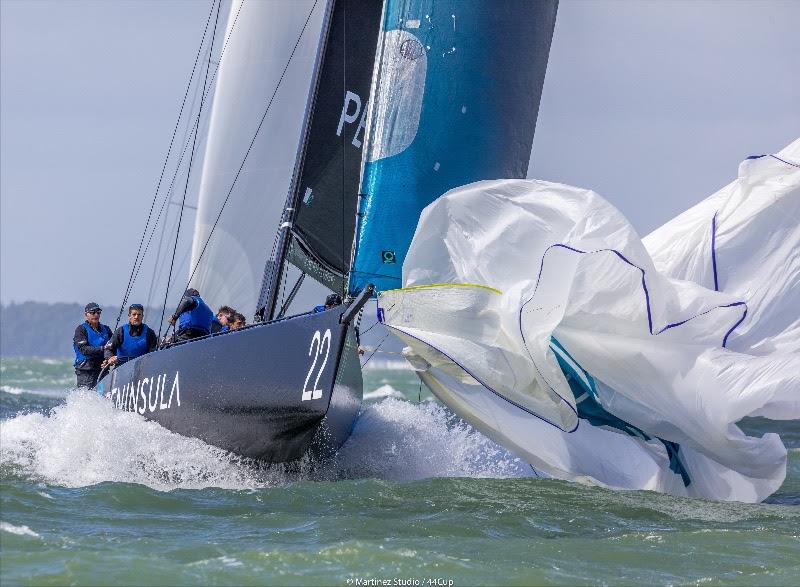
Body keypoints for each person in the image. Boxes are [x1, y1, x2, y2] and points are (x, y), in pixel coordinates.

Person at [72, 302, 112, 388]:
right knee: (86, 396)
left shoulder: (106, 329)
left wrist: (109, 358)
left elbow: (112, 346)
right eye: (92, 312)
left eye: (98, 312)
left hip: (102, 368)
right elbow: (84, 349)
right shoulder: (81, 330)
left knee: (103, 395)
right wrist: (102, 348)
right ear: (86, 315)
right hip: (86, 370)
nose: (96, 315)